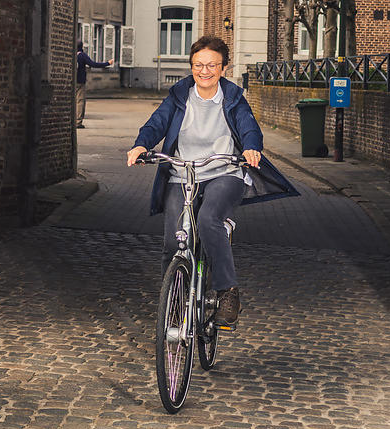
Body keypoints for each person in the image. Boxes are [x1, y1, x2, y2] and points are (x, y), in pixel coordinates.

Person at [124, 35, 296, 330]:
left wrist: (251, 148)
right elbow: (157, 123)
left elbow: (248, 127)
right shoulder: (178, 97)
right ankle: (175, 306)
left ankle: (228, 292)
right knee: (172, 242)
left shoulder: (233, 98)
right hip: (182, 173)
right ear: (191, 67)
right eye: (198, 65)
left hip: (223, 172)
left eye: (212, 65)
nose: (205, 71)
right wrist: (141, 145)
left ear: (224, 68)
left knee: (208, 219)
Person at [75, 41, 113, 124]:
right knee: (80, 101)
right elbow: (93, 64)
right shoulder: (82, 55)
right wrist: (107, 63)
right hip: (80, 81)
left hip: (70, 81)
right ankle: (77, 121)